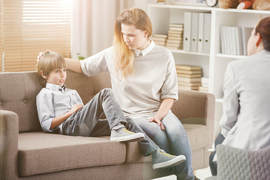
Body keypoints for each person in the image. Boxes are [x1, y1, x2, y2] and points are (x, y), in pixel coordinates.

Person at [66, 8, 194, 180]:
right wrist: (56, 60)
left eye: (131, 35)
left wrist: (159, 116)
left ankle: (188, 177)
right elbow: (84, 67)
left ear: (146, 33)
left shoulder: (164, 56)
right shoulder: (114, 53)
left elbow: (169, 95)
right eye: (123, 34)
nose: (126, 39)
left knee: (177, 132)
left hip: (160, 110)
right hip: (131, 115)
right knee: (158, 134)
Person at [36, 50, 186, 171]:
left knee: (127, 120)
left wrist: (101, 111)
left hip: (82, 126)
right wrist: (71, 112)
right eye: (57, 71)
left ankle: (156, 154)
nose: (62, 75)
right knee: (105, 93)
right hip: (68, 128)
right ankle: (117, 129)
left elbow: (84, 114)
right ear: (44, 74)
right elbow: (47, 124)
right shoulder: (45, 94)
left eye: (64, 70)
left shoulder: (71, 92)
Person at [209, 17, 270, 176]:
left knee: (216, 149)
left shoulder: (237, 68)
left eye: (251, 34)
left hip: (249, 155)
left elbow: (228, 121)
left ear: (258, 38)